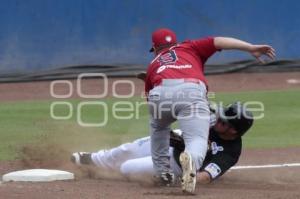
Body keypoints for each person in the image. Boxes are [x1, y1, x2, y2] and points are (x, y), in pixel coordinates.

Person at [144, 28, 275, 193]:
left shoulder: (153, 64)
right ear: (175, 43)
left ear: (154, 48)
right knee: (197, 139)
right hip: (191, 89)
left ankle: (162, 174)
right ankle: (191, 163)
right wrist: (250, 47)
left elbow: (149, 99)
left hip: (159, 92)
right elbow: (219, 41)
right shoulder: (189, 46)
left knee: (158, 127)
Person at [71, 102, 253, 185]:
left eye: (224, 121)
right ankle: (92, 160)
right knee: (128, 149)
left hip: (176, 164)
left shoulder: (230, 153)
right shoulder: (214, 118)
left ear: (234, 131)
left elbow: (206, 176)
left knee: (127, 168)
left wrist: (185, 180)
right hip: (179, 139)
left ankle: (165, 178)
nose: (218, 120)